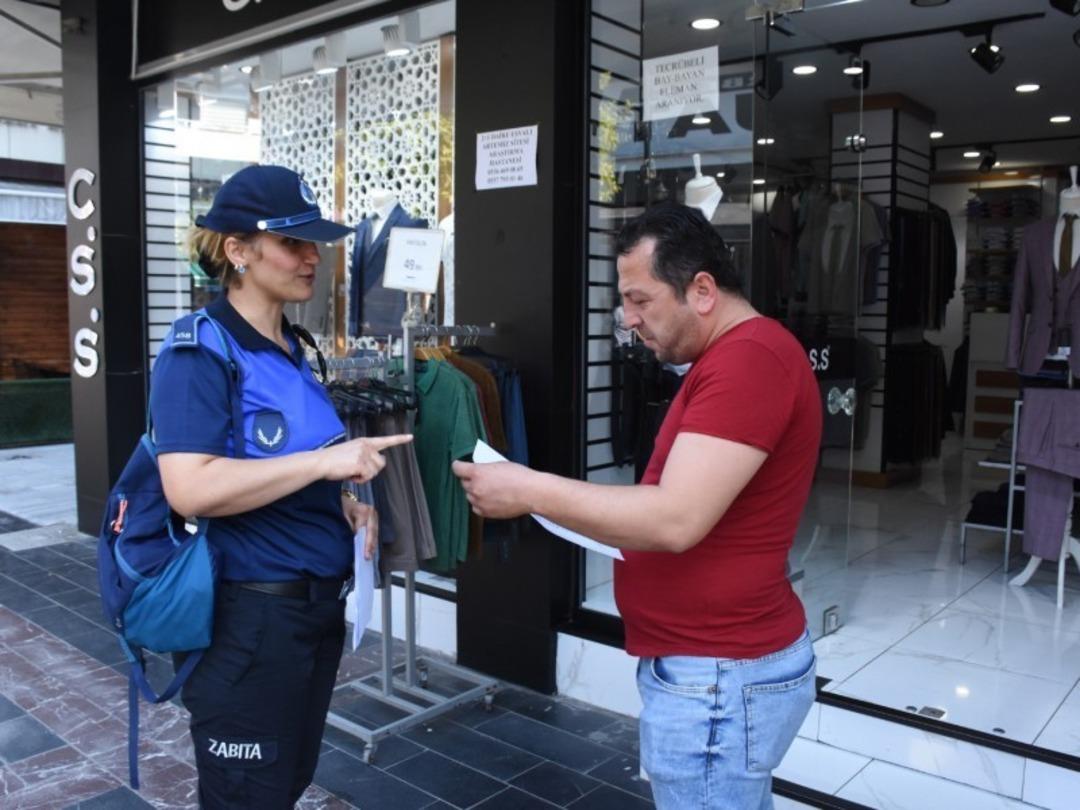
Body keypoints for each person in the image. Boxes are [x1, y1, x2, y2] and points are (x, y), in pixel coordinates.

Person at [453, 201, 823, 810]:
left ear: (702, 289)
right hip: (714, 669)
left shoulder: (749, 360)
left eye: (640, 299)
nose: (628, 320)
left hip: (718, 677)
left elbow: (675, 518)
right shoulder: (734, 357)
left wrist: (526, 488)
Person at [150, 164, 412, 808]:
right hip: (249, 621)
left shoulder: (294, 347)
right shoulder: (198, 352)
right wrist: (326, 466)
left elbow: (285, 468)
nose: (312, 257)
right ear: (237, 251)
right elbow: (191, 487)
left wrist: (345, 503)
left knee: (285, 785)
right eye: (292, 243)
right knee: (248, 795)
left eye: (314, 242)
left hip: (310, 614)